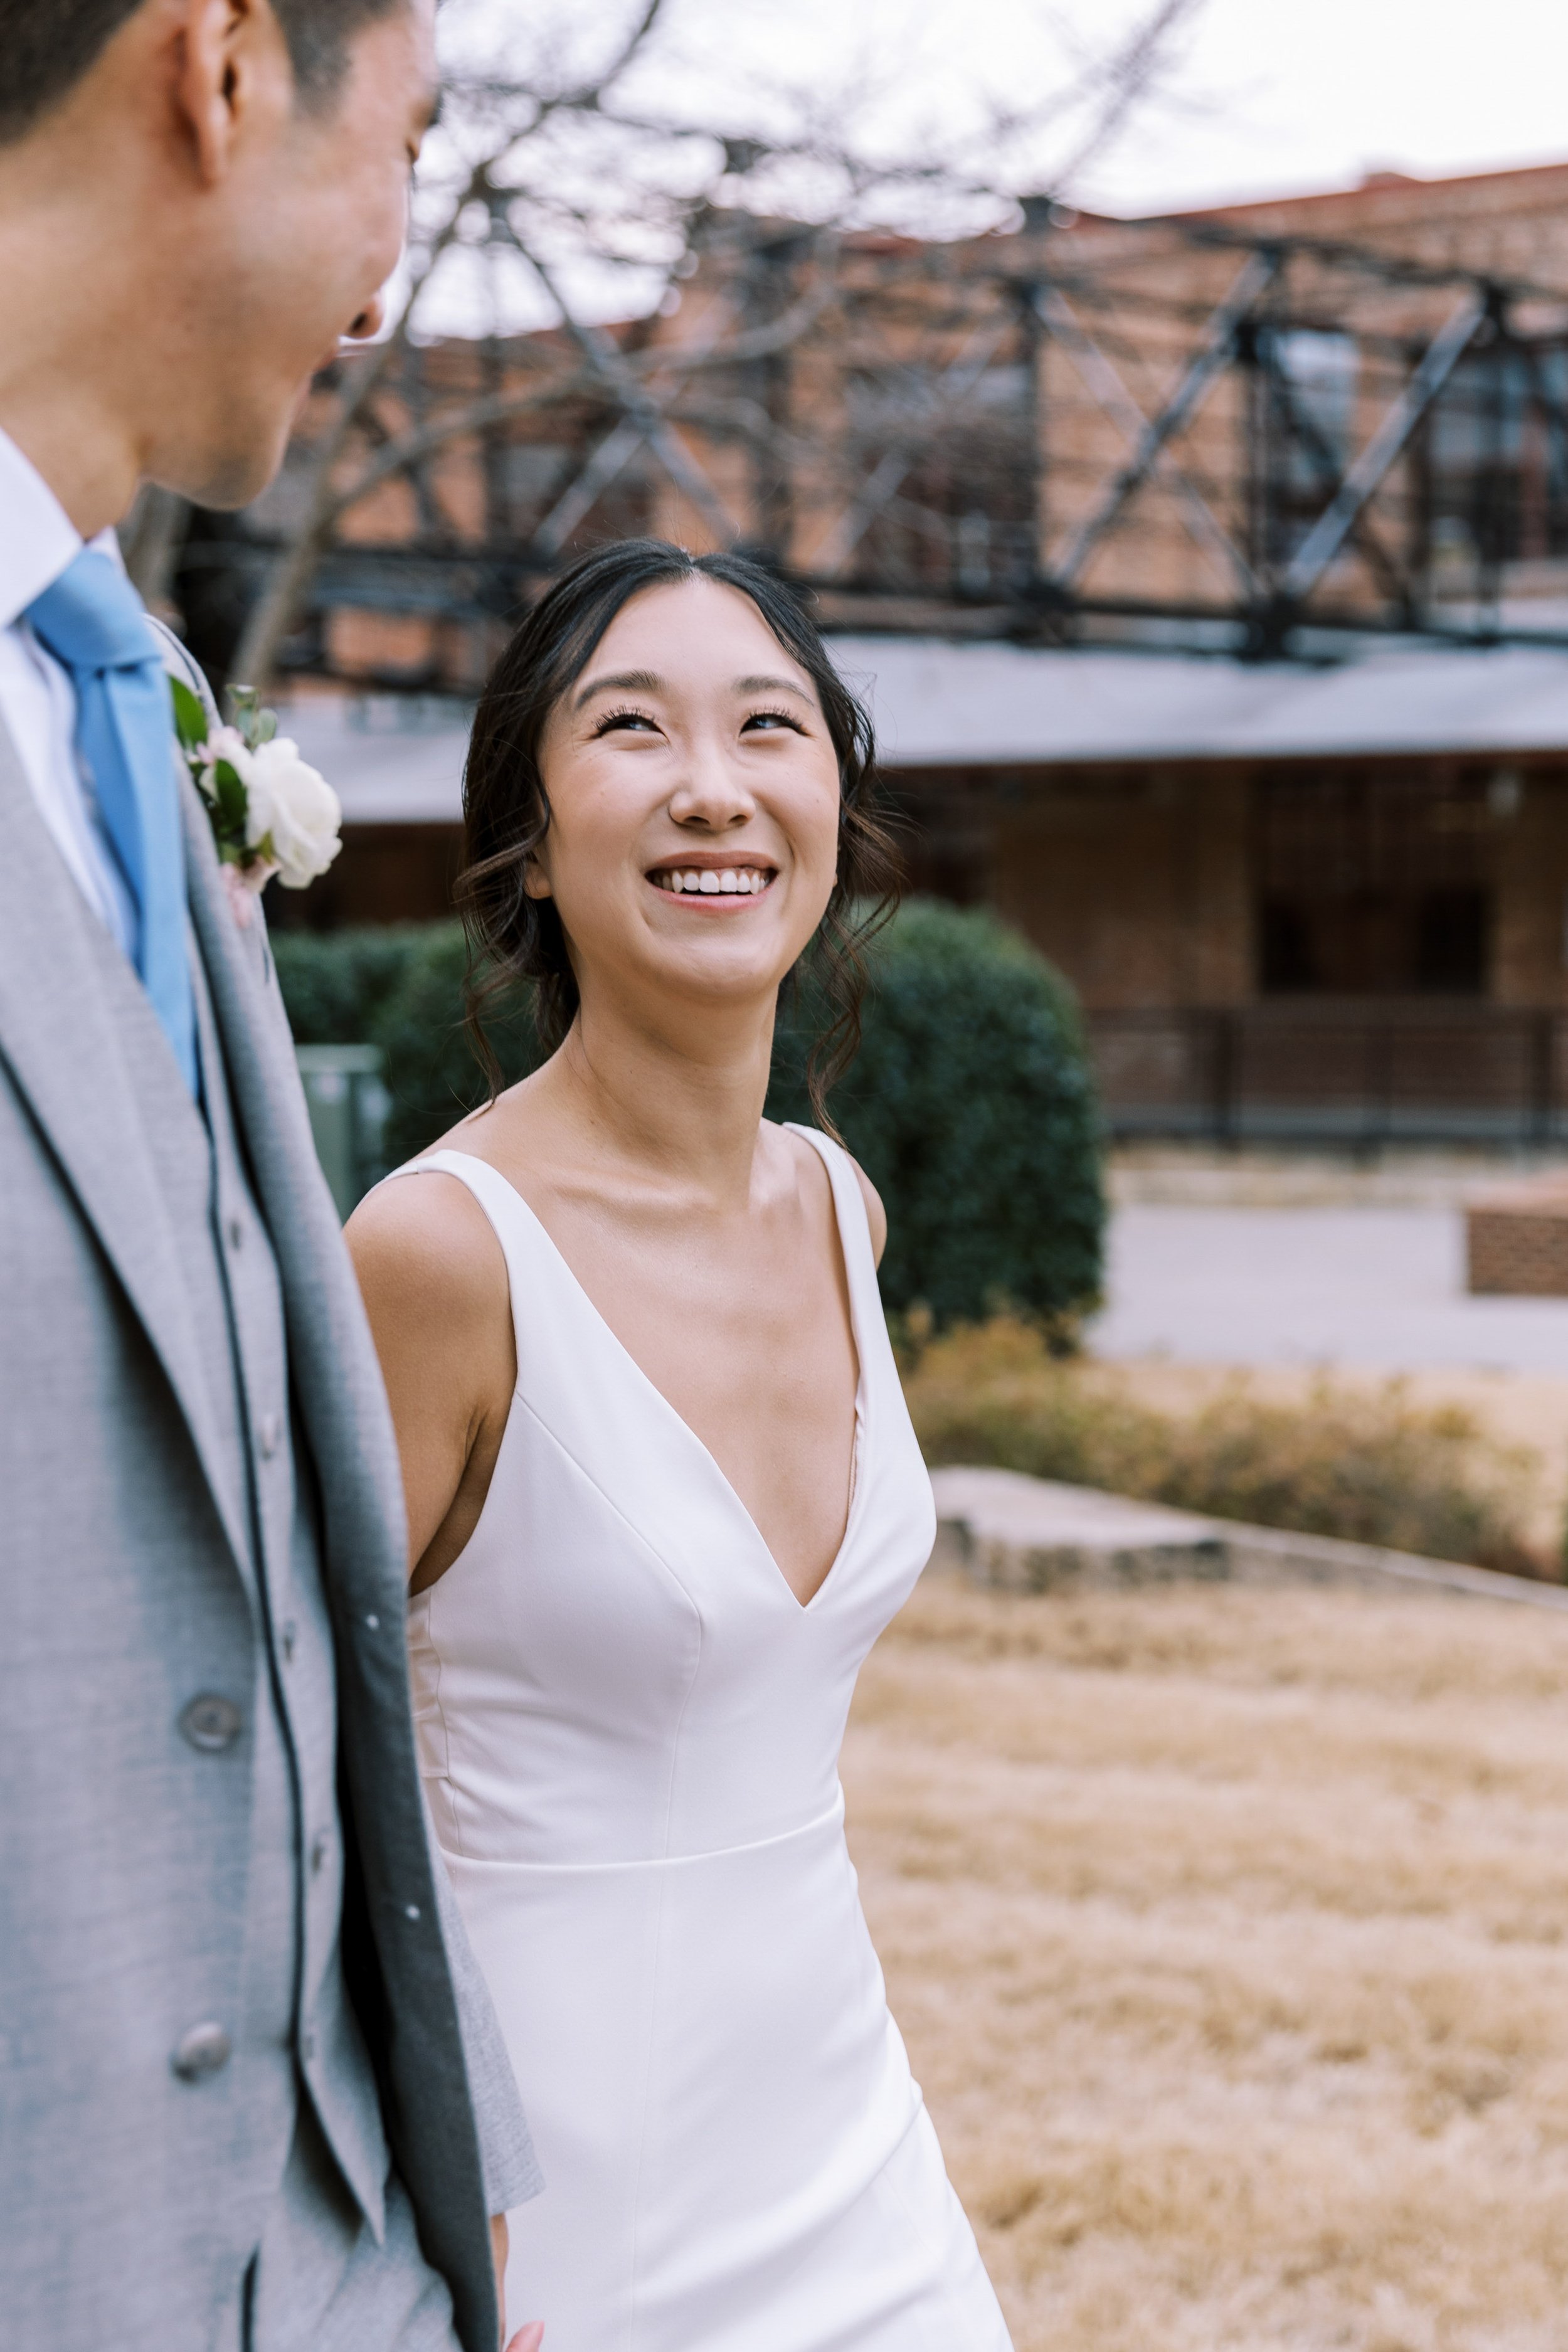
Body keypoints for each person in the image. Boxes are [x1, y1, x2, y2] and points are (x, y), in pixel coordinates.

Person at [0, 4, 546, 2347]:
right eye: (406, 149)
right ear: (220, 67)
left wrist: (444, 2204)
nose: (401, 269)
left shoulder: (123, 701)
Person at [346, 537, 1016, 2349]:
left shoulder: (838, 1206)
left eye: (770, 728)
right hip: (546, 2204)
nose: (712, 786)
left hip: (849, 2139)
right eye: (631, 729)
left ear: (831, 803)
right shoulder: (437, 1255)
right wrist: (415, 2194)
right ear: (531, 837)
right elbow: (304, 1779)